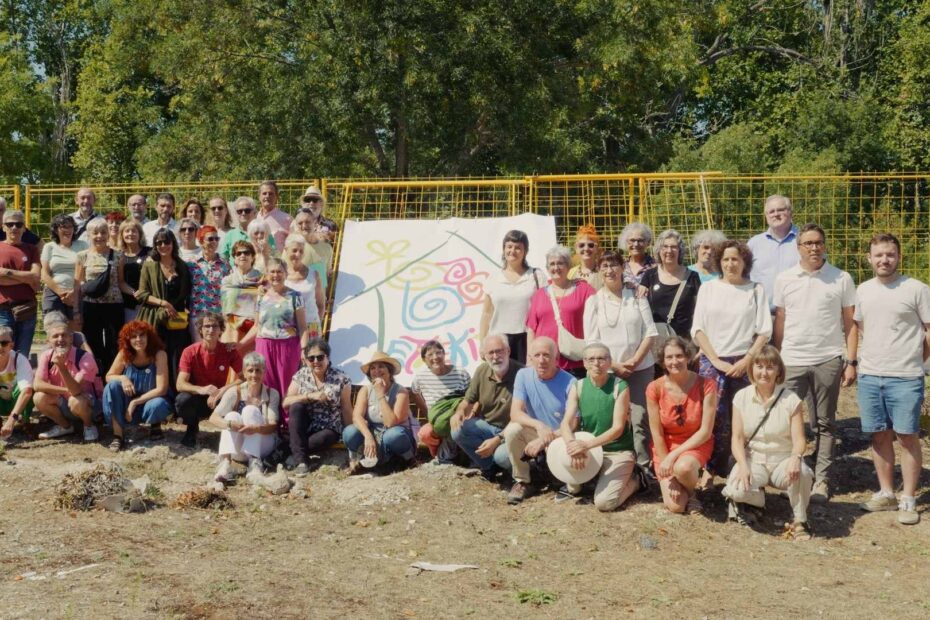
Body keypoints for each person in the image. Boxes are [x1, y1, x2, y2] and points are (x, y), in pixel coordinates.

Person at [773, 223, 857, 503]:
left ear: (825, 245)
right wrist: (777, 355)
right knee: (786, 420)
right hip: (792, 360)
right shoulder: (785, 279)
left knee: (824, 423)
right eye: (807, 243)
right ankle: (788, 475)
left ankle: (822, 480)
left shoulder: (841, 278)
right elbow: (781, 319)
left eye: (818, 242)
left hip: (827, 359)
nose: (814, 247)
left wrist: (851, 360)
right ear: (798, 247)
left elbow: (850, 323)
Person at [854, 233, 930, 525]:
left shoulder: (917, 289)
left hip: (906, 377)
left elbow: (928, 330)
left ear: (899, 257)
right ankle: (886, 492)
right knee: (879, 435)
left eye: (890, 254)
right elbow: (862, 327)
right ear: (869, 259)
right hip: (870, 375)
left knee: (908, 436)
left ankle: (908, 498)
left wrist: (915, 359)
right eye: (879, 255)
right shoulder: (863, 290)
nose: (884, 260)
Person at [691, 240, 771, 478]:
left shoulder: (756, 290)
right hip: (713, 362)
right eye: (725, 259)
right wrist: (715, 360)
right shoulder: (708, 289)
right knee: (713, 417)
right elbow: (698, 329)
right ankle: (709, 469)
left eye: (735, 259)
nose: (730, 264)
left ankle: (741, 467)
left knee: (744, 417)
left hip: (745, 362)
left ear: (745, 261)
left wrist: (747, 360)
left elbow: (764, 331)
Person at [722, 345, 813, 539]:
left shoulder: (791, 399)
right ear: (752, 369)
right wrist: (742, 465)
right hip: (754, 459)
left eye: (770, 367)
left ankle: (800, 520)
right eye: (759, 366)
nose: (764, 373)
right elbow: (737, 438)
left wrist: (796, 458)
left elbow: (799, 439)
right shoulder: (741, 397)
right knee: (735, 489)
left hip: (782, 461)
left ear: (778, 371)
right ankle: (759, 500)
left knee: (803, 473)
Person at [584, 250, 657, 471]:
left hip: (640, 368)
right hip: (608, 370)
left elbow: (650, 332)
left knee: (640, 418)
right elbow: (592, 341)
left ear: (622, 268)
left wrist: (634, 361)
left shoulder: (636, 295)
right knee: (611, 419)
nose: (610, 270)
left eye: (614, 265)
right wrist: (614, 365)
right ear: (599, 271)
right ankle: (610, 464)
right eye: (604, 266)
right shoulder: (594, 301)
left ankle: (643, 467)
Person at [558, 343, 640, 511]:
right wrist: (572, 445)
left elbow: (617, 429)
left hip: (616, 450)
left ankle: (636, 480)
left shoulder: (620, 386)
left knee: (604, 503)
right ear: (584, 363)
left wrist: (586, 445)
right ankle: (594, 479)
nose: (596, 363)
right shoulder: (578, 386)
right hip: (590, 449)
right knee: (573, 489)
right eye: (591, 359)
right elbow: (566, 423)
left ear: (610, 362)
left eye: (601, 358)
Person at [646, 337, 716, 514]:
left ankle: (692, 493)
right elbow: (657, 432)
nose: (674, 361)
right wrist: (668, 469)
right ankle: (683, 482)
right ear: (663, 361)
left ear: (688, 357)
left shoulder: (706, 385)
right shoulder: (654, 388)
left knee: (683, 468)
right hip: (665, 446)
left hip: (695, 443)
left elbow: (705, 431)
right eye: (669, 357)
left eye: (679, 356)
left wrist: (673, 457)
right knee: (676, 507)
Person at [503, 337, 575, 504]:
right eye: (537, 355)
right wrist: (539, 425)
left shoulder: (570, 382)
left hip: (561, 436)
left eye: (546, 355)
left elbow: (573, 423)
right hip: (537, 433)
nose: (542, 360)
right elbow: (515, 413)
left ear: (556, 358)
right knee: (511, 434)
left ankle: (558, 477)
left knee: (572, 482)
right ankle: (523, 481)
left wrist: (545, 440)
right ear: (530, 358)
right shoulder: (523, 375)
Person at [240, 257, 307, 430]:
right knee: (266, 385)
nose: (276, 275)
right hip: (264, 346)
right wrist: (239, 344)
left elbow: (303, 327)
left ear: (285, 273)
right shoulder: (261, 297)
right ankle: (267, 424)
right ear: (267, 274)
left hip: (287, 347)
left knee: (286, 386)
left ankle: (287, 427)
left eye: (279, 271)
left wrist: (304, 350)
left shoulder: (295, 297)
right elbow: (257, 326)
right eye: (272, 271)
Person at [450, 334, 522, 479]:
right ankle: (489, 467)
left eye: (499, 351)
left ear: (508, 351)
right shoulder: (481, 371)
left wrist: (497, 440)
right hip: (489, 427)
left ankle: (518, 473)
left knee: (502, 457)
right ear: (484, 355)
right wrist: (458, 412)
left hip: (513, 431)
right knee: (458, 430)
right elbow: (467, 400)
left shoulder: (522, 374)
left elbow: (521, 417)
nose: (495, 357)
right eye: (491, 352)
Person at [283, 338, 352, 474]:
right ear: (306, 360)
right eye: (311, 358)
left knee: (324, 438)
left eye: (320, 357)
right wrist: (309, 396)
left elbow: (346, 408)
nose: (316, 361)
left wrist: (351, 436)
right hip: (306, 425)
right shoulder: (301, 375)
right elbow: (286, 403)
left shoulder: (341, 378)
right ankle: (301, 462)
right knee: (296, 406)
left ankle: (286, 449)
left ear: (327, 357)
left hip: (329, 427)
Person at [135, 228, 192, 392]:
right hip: (153, 318)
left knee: (175, 357)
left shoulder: (182, 266)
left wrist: (179, 308)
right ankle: (155, 393)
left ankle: (175, 394)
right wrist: (163, 303)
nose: (162, 245)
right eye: (158, 243)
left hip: (176, 319)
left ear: (173, 243)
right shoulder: (149, 265)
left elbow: (186, 292)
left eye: (166, 242)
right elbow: (142, 294)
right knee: (154, 356)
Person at [210, 352, 281, 482]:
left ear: (264, 372)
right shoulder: (234, 391)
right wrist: (230, 424)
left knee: (250, 410)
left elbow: (273, 426)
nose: (254, 375)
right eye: (250, 370)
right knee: (231, 415)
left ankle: (255, 464)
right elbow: (213, 418)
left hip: (263, 445)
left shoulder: (272, 394)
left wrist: (256, 429)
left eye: (258, 370)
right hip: (238, 449)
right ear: (244, 372)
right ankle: (225, 464)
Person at [526, 245, 595, 377]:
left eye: (560, 263)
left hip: (575, 363)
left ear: (568, 266)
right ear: (547, 268)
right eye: (552, 264)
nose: (556, 267)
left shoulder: (584, 290)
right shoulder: (539, 294)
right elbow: (531, 329)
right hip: (544, 364)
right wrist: (530, 358)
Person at [176, 312, 242, 448]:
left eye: (215, 326)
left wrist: (224, 390)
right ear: (200, 330)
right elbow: (180, 384)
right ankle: (192, 428)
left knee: (236, 394)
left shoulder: (228, 350)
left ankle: (230, 432)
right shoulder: (189, 351)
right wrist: (201, 389)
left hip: (219, 398)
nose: (211, 330)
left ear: (221, 330)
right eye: (207, 326)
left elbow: (245, 377)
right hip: (197, 397)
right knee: (182, 400)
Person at [342, 351, 416, 474]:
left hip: (393, 437)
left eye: (381, 366)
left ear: (389, 371)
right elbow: (356, 417)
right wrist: (368, 436)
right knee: (350, 431)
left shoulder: (401, 392)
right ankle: (354, 461)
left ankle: (408, 460)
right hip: (372, 436)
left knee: (393, 435)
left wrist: (380, 394)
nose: (377, 371)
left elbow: (391, 423)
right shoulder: (365, 390)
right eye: (373, 368)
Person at [102, 321, 171, 451]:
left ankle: (155, 425)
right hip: (127, 403)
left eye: (142, 335)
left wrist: (134, 402)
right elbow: (108, 376)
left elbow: (162, 389)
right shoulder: (124, 354)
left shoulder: (159, 354)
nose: (138, 339)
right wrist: (123, 378)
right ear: (128, 340)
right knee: (112, 386)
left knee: (158, 404)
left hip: (149, 401)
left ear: (149, 337)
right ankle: (118, 435)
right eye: (134, 336)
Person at [479, 230, 544, 365]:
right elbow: (486, 314)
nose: (513, 251)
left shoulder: (536, 276)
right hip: (499, 341)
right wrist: (482, 343)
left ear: (525, 251)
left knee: (527, 376)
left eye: (518, 247)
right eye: (509, 246)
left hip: (527, 339)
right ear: (504, 249)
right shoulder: (493, 278)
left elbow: (545, 309)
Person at [32, 317, 99, 442]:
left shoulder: (84, 357)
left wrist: (61, 367)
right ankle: (66, 427)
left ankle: (89, 426)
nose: (60, 339)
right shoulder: (46, 356)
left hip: (87, 404)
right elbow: (37, 385)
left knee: (76, 400)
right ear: (48, 340)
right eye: (55, 336)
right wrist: (65, 390)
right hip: (64, 401)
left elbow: (76, 391)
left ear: (71, 338)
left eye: (64, 335)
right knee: (38, 397)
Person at [74, 218, 123, 376]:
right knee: (92, 342)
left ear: (108, 234)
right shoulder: (82, 256)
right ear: (89, 235)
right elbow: (77, 285)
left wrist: (137, 292)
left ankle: (111, 375)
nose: (99, 236)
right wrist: (76, 311)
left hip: (114, 305)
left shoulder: (118, 255)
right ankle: (94, 376)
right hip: (91, 305)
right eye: (95, 233)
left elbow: (121, 283)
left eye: (103, 232)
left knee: (114, 343)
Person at [640, 229, 702, 351]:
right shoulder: (649, 275)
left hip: (685, 345)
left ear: (680, 250)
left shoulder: (692, 277)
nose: (669, 251)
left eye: (674, 247)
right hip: (657, 345)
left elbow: (701, 311)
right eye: (665, 246)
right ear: (659, 250)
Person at [410, 340, 471, 463]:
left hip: (459, 417)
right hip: (437, 420)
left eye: (438, 353)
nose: (435, 357)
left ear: (444, 354)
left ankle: (452, 455)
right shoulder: (420, 377)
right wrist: (429, 414)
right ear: (424, 359)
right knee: (425, 433)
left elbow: (471, 397)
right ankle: (440, 453)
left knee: (457, 428)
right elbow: (415, 393)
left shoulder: (461, 373)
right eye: (430, 355)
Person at [747, 194, 799, 311]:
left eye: (780, 210)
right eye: (771, 211)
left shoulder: (805, 241)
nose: (776, 214)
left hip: (796, 312)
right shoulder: (754, 244)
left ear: (790, 212)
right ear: (766, 216)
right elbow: (742, 276)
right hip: (761, 313)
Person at [0, 209, 41, 355]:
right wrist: (25, 279)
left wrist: (6, 272)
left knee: (22, 355)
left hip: (27, 309)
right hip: (2, 310)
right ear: (3, 227)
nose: (14, 228)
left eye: (18, 224)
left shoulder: (32, 249)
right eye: (10, 224)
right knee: (3, 354)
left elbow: (36, 277)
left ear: (24, 228)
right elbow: (31, 277)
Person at [40, 214, 87, 324]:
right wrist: (62, 293)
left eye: (70, 226)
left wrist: (74, 293)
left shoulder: (83, 245)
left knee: (76, 331)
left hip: (78, 293)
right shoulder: (49, 247)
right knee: (55, 329)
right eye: (64, 227)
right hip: (54, 293)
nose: (68, 230)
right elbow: (44, 274)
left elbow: (87, 271)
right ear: (56, 230)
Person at [187, 225, 230, 342]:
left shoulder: (225, 264)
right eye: (210, 239)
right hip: (197, 315)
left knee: (217, 350)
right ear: (201, 241)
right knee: (200, 349)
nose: (214, 242)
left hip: (218, 316)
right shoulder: (191, 263)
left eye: (217, 239)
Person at [220, 240, 264, 345]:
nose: (242, 255)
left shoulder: (262, 279)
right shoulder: (227, 281)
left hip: (255, 329)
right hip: (232, 328)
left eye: (246, 252)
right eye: (238, 253)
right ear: (234, 259)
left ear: (252, 257)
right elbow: (224, 309)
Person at [283, 234, 324, 338]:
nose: (298, 254)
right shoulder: (279, 274)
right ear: (286, 250)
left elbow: (321, 304)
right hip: (288, 329)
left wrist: (317, 324)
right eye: (294, 250)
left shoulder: (314, 274)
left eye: (301, 251)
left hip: (311, 327)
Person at [0, 325, 35, 438]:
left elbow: (27, 392)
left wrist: (11, 419)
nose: (0, 347)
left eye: (4, 343)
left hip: (15, 400)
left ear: (11, 345)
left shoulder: (19, 360)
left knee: (27, 388)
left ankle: (25, 421)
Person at [219, 196, 276, 262]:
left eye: (247, 211)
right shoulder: (230, 235)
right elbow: (222, 259)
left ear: (255, 213)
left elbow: (274, 256)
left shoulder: (264, 233)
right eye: (240, 211)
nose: (243, 213)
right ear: (236, 214)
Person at [296, 185, 336, 277]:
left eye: (314, 200)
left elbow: (328, 241)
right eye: (308, 200)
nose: (311, 203)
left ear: (321, 204)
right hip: (300, 269)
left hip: (322, 270)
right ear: (303, 204)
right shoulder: (294, 222)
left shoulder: (330, 225)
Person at [116, 219, 150, 322]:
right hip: (129, 305)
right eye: (127, 231)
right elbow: (120, 282)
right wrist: (135, 293)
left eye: (134, 231)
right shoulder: (119, 256)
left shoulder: (150, 252)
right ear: (122, 235)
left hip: (149, 304)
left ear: (140, 234)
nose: (130, 234)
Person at [291, 203, 329, 290]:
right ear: (296, 225)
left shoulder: (327, 248)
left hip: (319, 296)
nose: (304, 226)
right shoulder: (289, 248)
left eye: (308, 222)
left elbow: (325, 277)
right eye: (300, 223)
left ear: (315, 223)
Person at [255, 180, 293, 250]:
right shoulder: (254, 218)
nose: (267, 196)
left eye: (271, 193)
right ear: (259, 197)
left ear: (277, 197)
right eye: (264, 193)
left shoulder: (287, 219)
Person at [619, 222, 656, 288]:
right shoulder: (621, 266)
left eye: (640, 240)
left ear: (648, 242)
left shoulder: (656, 266)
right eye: (632, 240)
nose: (636, 244)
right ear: (626, 242)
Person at [567, 225, 603, 290]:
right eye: (581, 245)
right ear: (576, 248)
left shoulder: (604, 272)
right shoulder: (570, 273)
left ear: (596, 248)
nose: (586, 248)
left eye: (591, 245)